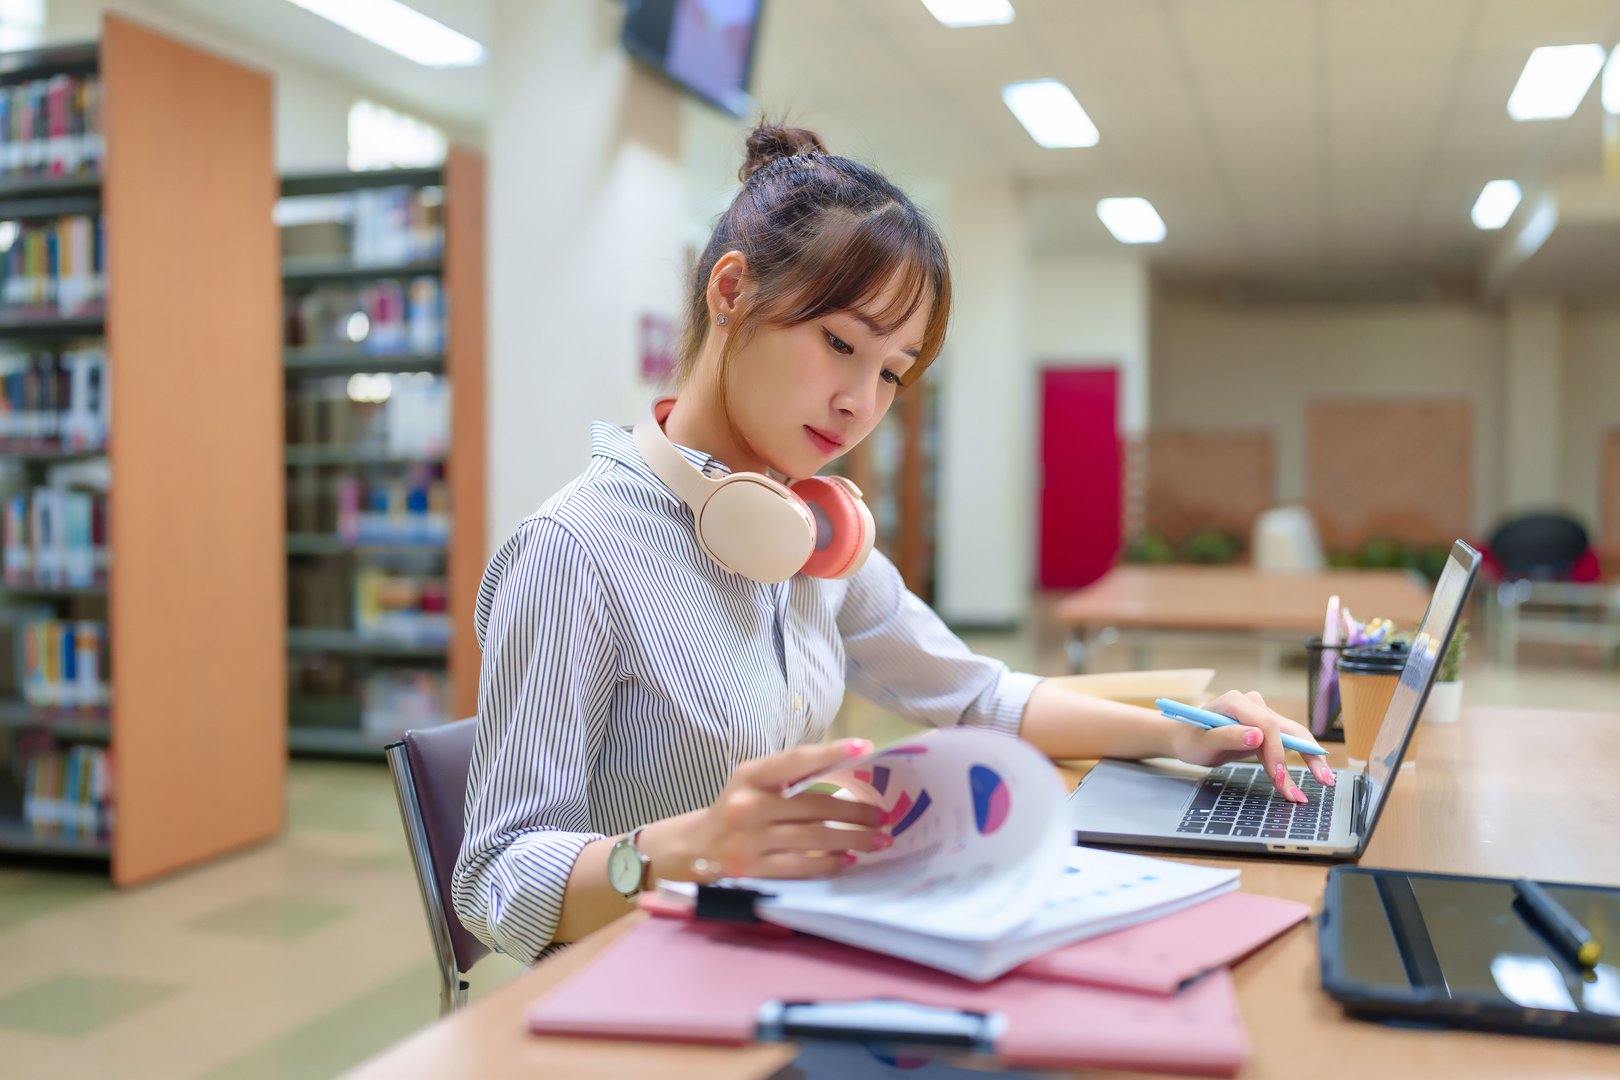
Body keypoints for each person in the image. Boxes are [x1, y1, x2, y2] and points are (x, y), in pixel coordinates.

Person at [452, 123, 1332, 964]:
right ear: (730, 292)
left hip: (778, 949)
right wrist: (683, 847)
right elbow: (494, 877)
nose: (860, 404)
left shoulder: (807, 532)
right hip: (635, 988)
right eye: (840, 344)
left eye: (891, 374)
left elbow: (979, 696)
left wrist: (1182, 735)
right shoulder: (578, 551)